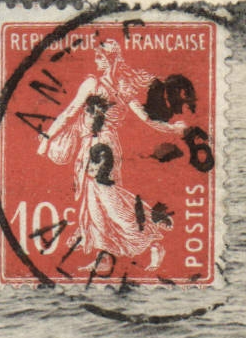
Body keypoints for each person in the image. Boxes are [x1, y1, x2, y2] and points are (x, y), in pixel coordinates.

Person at [36, 39, 190, 271]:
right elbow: (147, 118)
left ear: (110, 60)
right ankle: (104, 256)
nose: (96, 60)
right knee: (96, 202)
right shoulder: (123, 85)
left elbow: (69, 113)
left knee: (108, 201)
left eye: (100, 57)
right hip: (106, 146)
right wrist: (171, 128)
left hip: (98, 148)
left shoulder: (93, 83)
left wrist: (47, 139)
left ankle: (152, 241)